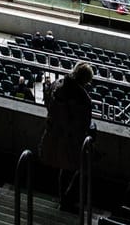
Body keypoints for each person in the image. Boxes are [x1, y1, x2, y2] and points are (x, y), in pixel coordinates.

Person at [38, 62, 95, 211]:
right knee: (81, 169)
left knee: (65, 169)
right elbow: (84, 125)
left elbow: (47, 104)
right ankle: (67, 200)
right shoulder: (84, 100)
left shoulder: (57, 85)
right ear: (85, 80)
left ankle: (64, 198)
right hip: (71, 141)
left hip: (52, 135)